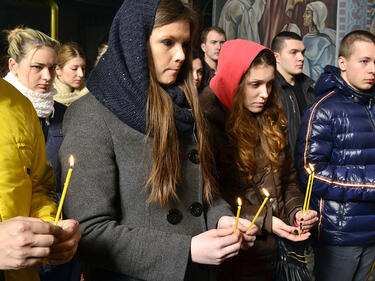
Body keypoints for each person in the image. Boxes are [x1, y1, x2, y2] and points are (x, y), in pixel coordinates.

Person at [60, 1, 257, 281]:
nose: (180, 55)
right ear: (134, 45)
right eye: (167, 42)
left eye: (185, 44)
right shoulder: (91, 114)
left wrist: (222, 220)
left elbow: (200, 194)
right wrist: (186, 250)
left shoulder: (185, 107)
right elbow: (89, 231)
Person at [199, 39, 318, 280]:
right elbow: (210, 200)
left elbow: (287, 179)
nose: (264, 94)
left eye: (269, 84)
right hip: (236, 255)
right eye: (254, 85)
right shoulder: (206, 125)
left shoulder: (272, 116)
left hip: (277, 252)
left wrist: (297, 210)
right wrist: (266, 221)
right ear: (234, 81)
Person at [295, 30, 375, 281]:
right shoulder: (322, 110)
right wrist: (370, 183)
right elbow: (311, 174)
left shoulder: (372, 104)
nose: (373, 69)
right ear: (343, 63)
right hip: (339, 234)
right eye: (364, 61)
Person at [3, 27, 81, 281]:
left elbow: (37, 186)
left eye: (52, 67)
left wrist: (51, 227)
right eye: (37, 67)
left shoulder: (20, 107)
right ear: (13, 65)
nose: (47, 76)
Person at [271, 31, 315, 157]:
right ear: (276, 57)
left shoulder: (309, 89)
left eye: (302, 52)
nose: (301, 58)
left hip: (307, 168)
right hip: (282, 169)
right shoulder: (269, 90)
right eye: (293, 52)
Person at [302, 1, 336, 81]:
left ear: (315, 17)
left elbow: (325, 71)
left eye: (307, 13)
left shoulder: (325, 43)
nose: (303, 16)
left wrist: (305, 66)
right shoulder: (305, 38)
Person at [53, 42, 89, 107]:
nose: (81, 74)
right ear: (58, 70)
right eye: (74, 69)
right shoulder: (47, 96)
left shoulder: (90, 93)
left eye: (83, 68)